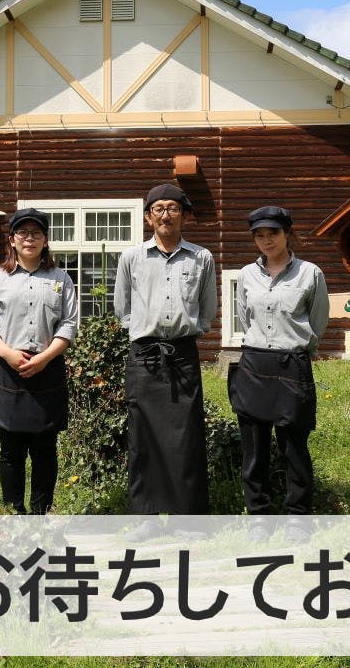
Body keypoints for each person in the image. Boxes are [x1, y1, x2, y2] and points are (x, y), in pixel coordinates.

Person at [114, 184, 216, 528]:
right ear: (148, 217)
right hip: (145, 356)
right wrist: (145, 330)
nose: (165, 215)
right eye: (158, 209)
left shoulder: (201, 257)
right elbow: (123, 309)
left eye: (173, 208)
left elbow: (207, 310)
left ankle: (187, 520)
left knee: (186, 437)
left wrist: (187, 330)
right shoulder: (131, 258)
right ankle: (146, 518)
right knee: (143, 438)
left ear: (183, 215)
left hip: (183, 354)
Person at [228, 206, 329, 539]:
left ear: (288, 233)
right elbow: (245, 317)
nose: (266, 240)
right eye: (259, 235)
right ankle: (259, 516)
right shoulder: (247, 275)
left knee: (293, 447)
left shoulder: (310, 273)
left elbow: (318, 321)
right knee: (254, 450)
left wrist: (294, 345)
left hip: (292, 365)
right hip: (254, 365)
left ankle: (298, 517)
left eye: (272, 233)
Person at [0, 208, 78, 514]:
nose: (29, 238)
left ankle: (40, 517)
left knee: (45, 450)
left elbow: (69, 324)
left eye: (36, 233)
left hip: (48, 369)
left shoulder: (61, 279)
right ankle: (14, 516)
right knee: (11, 452)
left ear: (45, 240)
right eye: (23, 232)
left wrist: (45, 357)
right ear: (12, 240)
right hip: (8, 370)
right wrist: (8, 353)